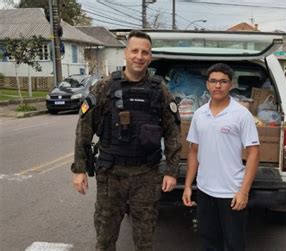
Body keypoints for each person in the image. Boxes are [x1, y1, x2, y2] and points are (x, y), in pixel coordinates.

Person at [71, 30, 181, 251]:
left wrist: (171, 170)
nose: (139, 56)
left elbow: (172, 131)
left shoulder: (159, 90)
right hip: (112, 175)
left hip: (146, 175)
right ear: (125, 53)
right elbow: (84, 128)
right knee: (104, 238)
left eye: (145, 52)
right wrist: (79, 169)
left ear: (150, 57)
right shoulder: (104, 87)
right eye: (135, 51)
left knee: (144, 240)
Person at [182, 63, 260, 251]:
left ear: (230, 85)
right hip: (205, 190)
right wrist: (187, 186)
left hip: (231, 193)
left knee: (234, 244)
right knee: (209, 241)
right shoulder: (200, 114)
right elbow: (193, 150)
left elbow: (254, 153)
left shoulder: (241, 114)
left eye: (223, 82)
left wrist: (244, 191)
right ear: (207, 84)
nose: (218, 86)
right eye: (214, 81)